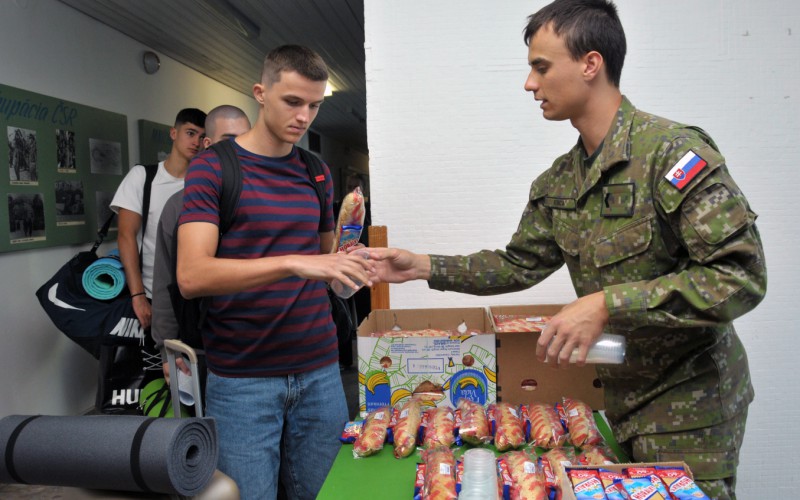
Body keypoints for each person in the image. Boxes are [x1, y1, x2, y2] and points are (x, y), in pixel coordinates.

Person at [366, 1, 766, 498]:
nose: (529, 84)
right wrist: (421, 266)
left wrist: (606, 303)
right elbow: (518, 263)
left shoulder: (672, 154)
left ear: (590, 64)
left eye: (540, 66)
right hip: (617, 401)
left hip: (692, 404)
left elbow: (740, 276)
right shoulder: (560, 180)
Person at [176, 45, 373, 499]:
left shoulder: (316, 172)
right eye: (292, 102)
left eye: (315, 105)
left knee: (327, 493)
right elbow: (192, 276)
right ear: (261, 93)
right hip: (243, 377)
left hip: (320, 369)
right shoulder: (213, 168)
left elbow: (329, 268)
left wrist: (355, 263)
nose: (304, 116)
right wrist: (290, 262)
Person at [151, 105, 251, 384]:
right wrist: (167, 347)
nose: (239, 150)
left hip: (263, 348)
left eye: (246, 140)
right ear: (208, 145)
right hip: (203, 349)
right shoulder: (179, 205)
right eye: (229, 141)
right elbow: (164, 281)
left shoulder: (264, 196)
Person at [111, 108, 207, 329]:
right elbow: (126, 235)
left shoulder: (205, 183)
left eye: (202, 137)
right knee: (156, 362)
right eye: (190, 133)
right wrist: (138, 295)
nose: (196, 142)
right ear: (174, 133)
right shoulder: (143, 177)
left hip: (195, 294)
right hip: (152, 293)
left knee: (194, 361)